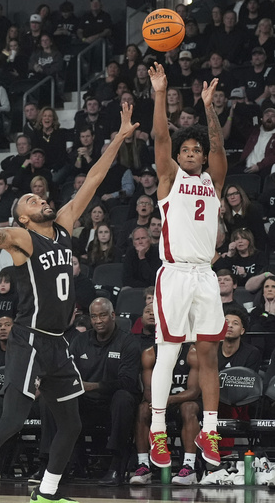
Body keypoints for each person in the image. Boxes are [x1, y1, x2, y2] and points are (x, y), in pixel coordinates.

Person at [0, 101, 138, 503]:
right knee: (12, 418)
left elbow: (93, 180)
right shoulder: (22, 238)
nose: (38, 197)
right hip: (28, 339)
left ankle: (46, 494)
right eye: (29, 200)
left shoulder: (63, 225)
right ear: (23, 218)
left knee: (71, 424)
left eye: (38, 195)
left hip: (59, 341)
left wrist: (118, 137)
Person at [148, 63, 227, 469]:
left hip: (205, 276)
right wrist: (160, 93)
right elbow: (161, 136)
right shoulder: (169, 179)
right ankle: (158, 431)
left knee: (208, 354)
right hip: (175, 274)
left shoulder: (213, 181)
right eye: (187, 150)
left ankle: (210, 429)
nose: (193, 153)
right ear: (178, 158)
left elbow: (219, 148)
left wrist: (209, 108)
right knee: (169, 352)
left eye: (196, 149)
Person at [69, 297, 141, 486]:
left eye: (102, 316)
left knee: (123, 398)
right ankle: (60, 464)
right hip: (87, 405)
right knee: (60, 400)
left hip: (114, 406)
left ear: (113, 315)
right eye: (94, 316)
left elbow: (128, 382)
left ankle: (116, 466)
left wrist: (93, 386)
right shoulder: (80, 341)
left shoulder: (128, 342)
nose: (98, 321)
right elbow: (69, 373)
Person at [130, 342, 201, 485]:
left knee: (189, 408)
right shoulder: (150, 354)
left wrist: (169, 399)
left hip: (183, 401)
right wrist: (160, 402)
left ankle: (189, 466)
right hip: (160, 403)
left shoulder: (192, 353)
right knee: (142, 409)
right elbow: (148, 390)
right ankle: (143, 465)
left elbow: (194, 391)